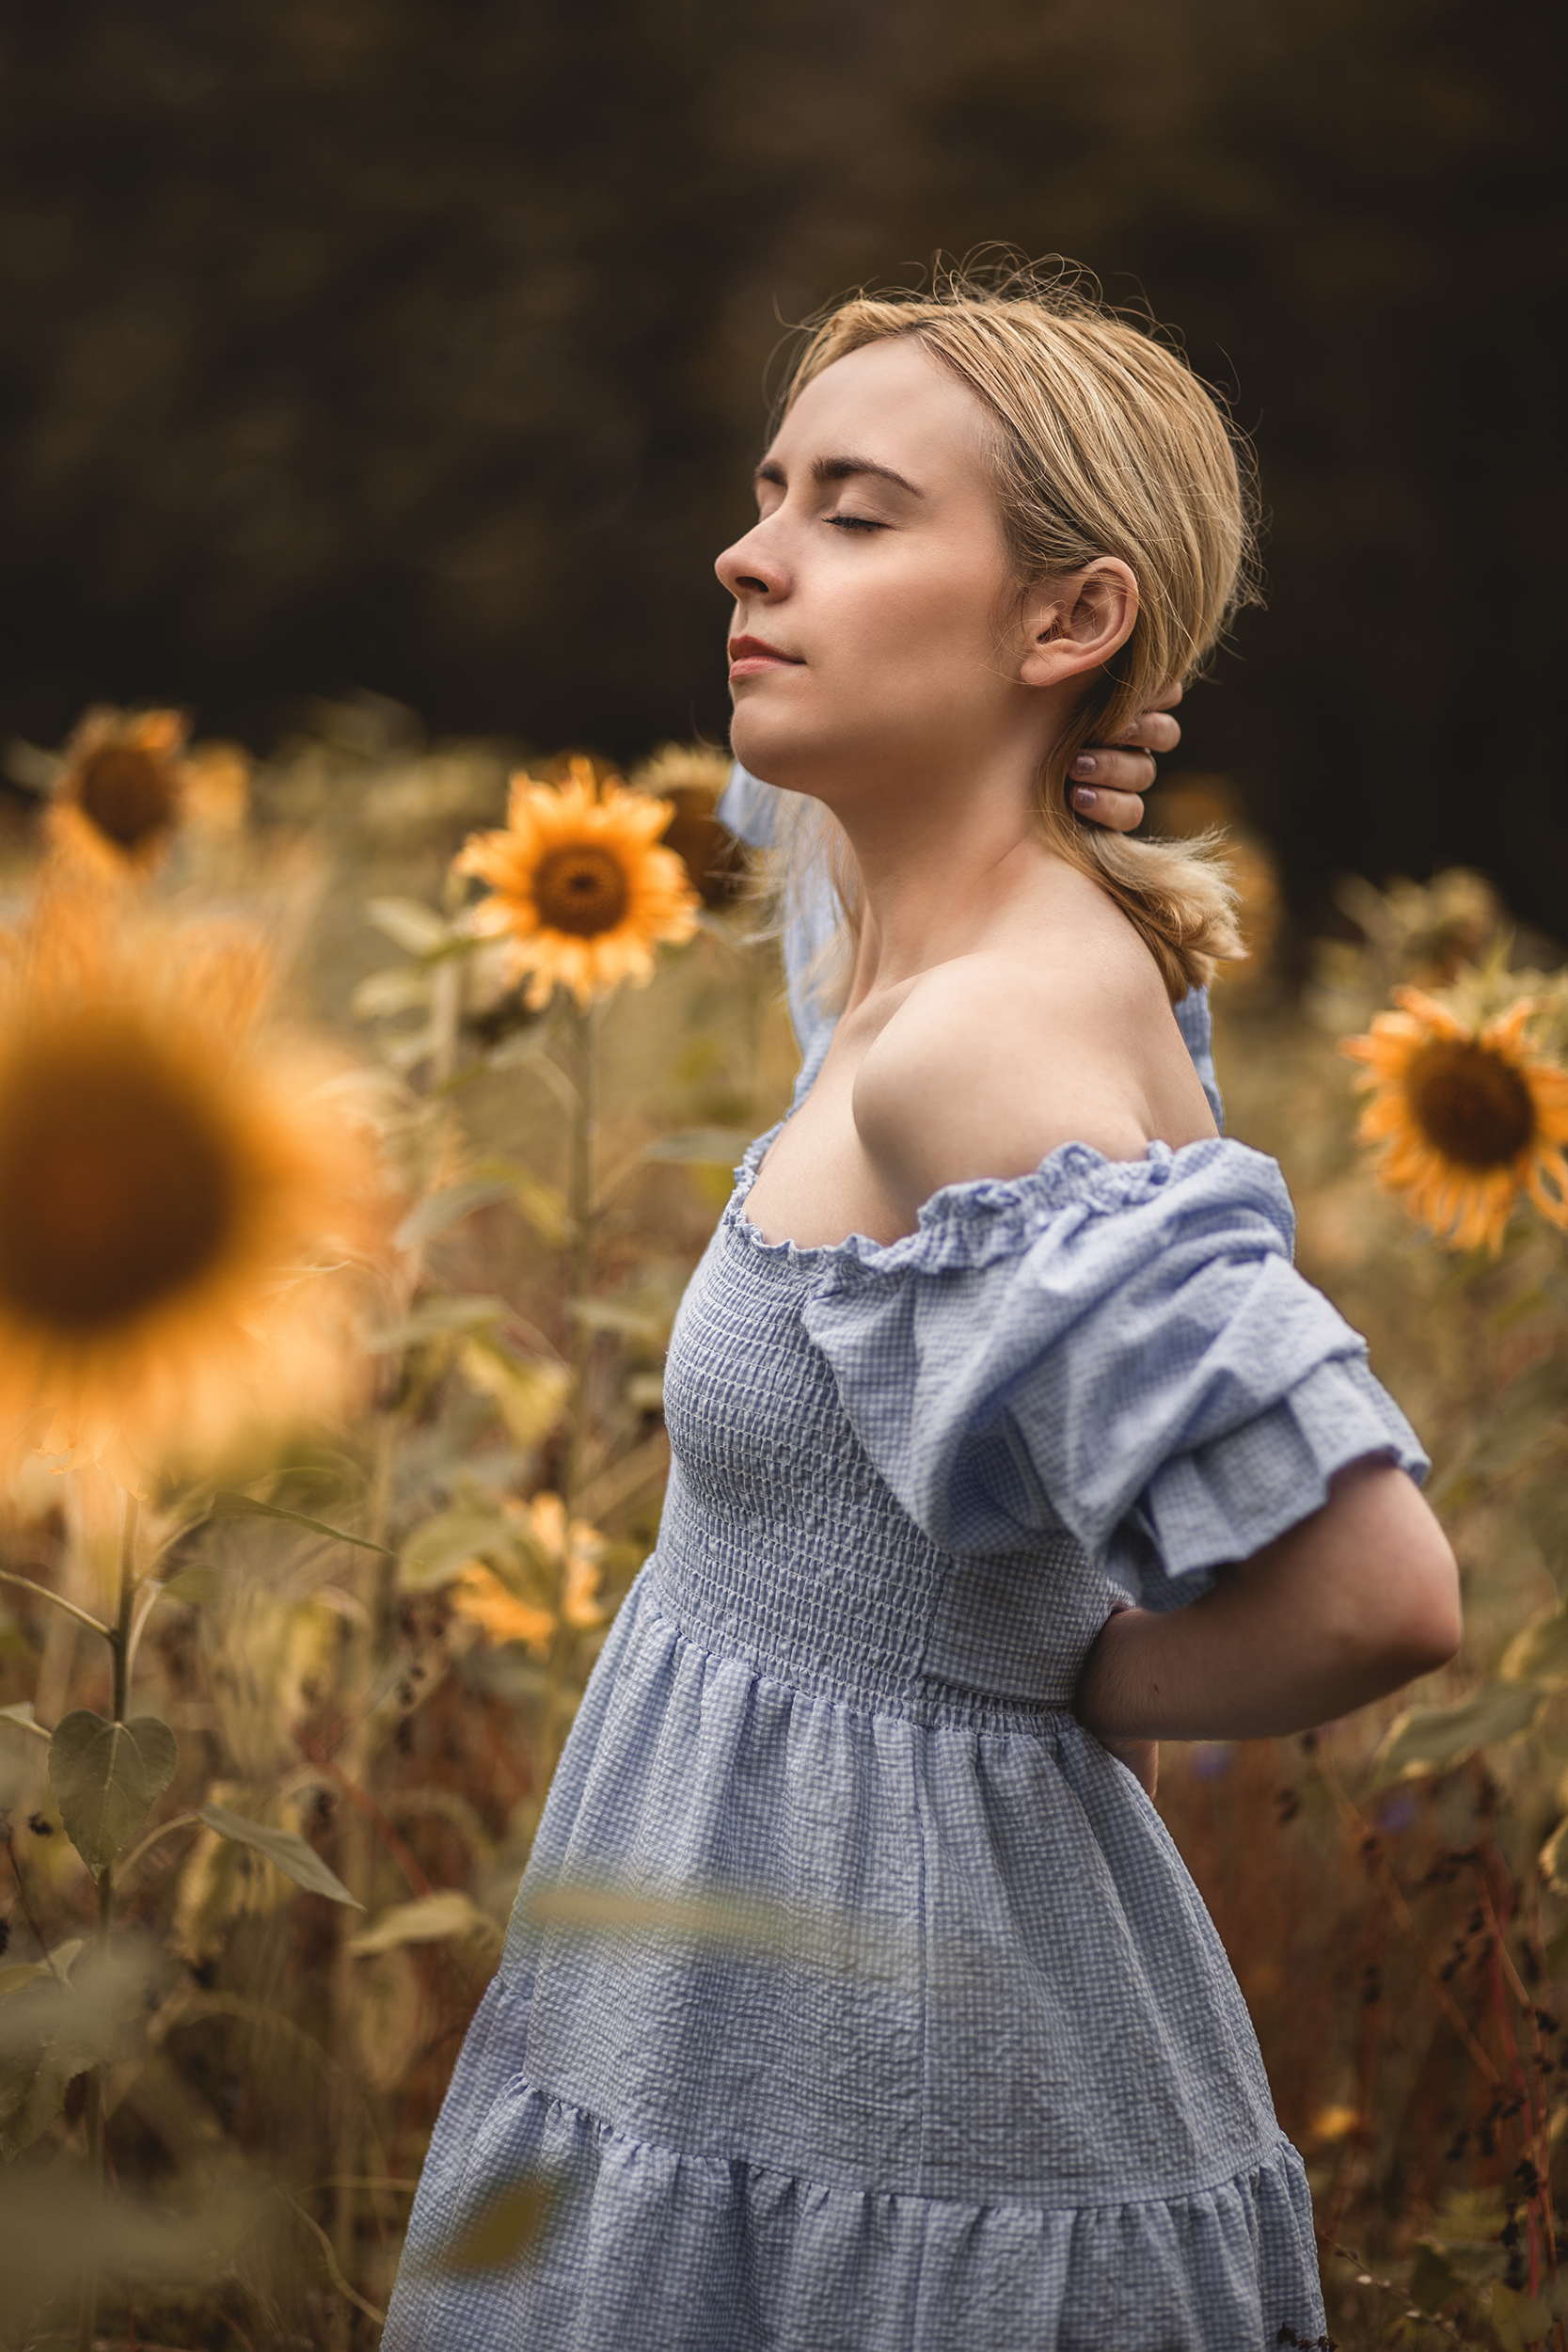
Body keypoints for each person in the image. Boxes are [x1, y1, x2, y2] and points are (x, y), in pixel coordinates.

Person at [384, 265, 1461, 2351]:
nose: (749, 547)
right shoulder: (951, 971)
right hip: (789, 2028)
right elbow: (820, 916)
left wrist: (1086, 1689)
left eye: (855, 511)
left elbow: (1378, 1584)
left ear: (1071, 617)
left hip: (908, 2092)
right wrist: (1037, 763)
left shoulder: (978, 1052)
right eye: (769, 490)